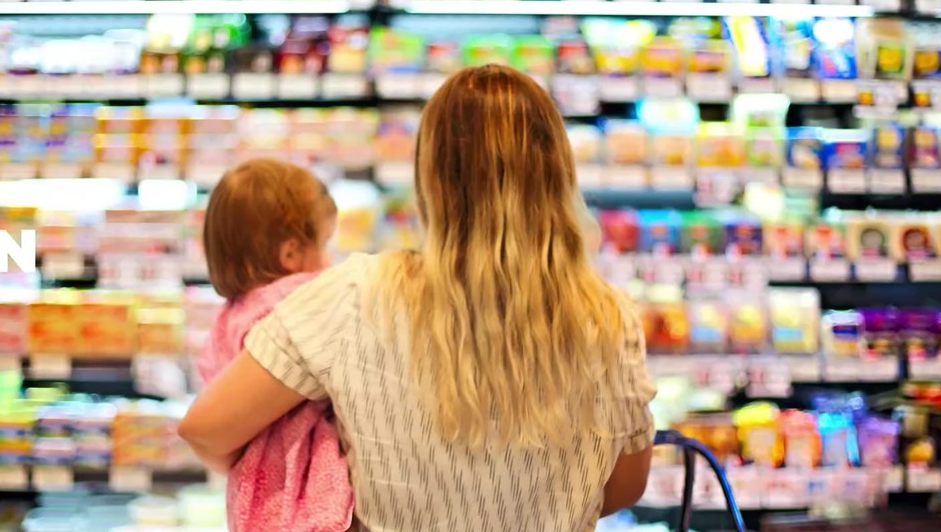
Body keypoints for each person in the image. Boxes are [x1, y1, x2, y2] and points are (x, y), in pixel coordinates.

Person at [180, 65, 657, 531]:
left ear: (431, 178)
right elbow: (623, 487)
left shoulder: (351, 296)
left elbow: (206, 429)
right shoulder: (610, 318)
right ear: (557, 174)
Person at [194, 158, 353, 532]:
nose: (329, 261)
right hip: (299, 483)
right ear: (291, 254)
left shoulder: (228, 317)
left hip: (250, 492)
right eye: (325, 244)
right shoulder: (297, 300)